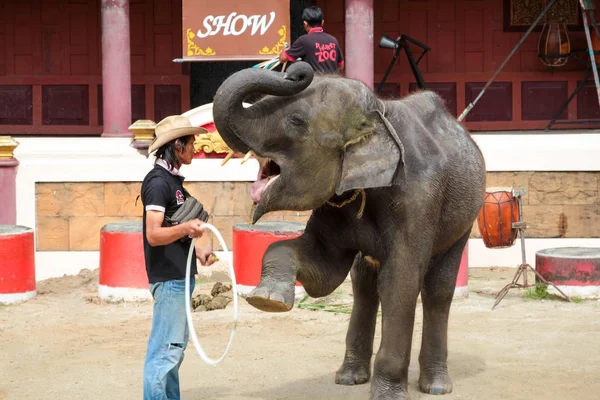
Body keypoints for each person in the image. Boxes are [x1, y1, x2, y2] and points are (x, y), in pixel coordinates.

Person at [141, 115, 217, 400]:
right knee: (164, 353)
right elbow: (153, 234)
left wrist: (197, 250)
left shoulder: (173, 183)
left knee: (173, 350)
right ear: (177, 146)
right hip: (170, 279)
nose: (195, 147)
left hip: (180, 276)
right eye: (191, 142)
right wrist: (187, 227)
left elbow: (173, 230)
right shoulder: (158, 183)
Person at [279, 6, 344, 74]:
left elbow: (283, 58)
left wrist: (284, 50)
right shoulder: (333, 40)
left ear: (305, 24)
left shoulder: (303, 40)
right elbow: (341, 66)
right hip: (333, 81)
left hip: (314, 83)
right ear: (322, 22)